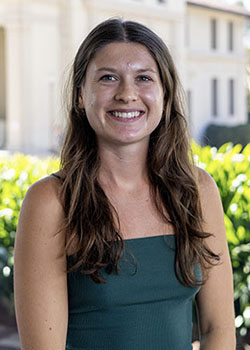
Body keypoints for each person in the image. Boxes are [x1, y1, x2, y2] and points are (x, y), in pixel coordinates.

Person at [14, 18, 236, 349]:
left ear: (165, 94)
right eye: (108, 78)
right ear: (80, 95)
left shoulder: (197, 191)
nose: (127, 94)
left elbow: (219, 328)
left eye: (144, 78)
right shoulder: (52, 202)